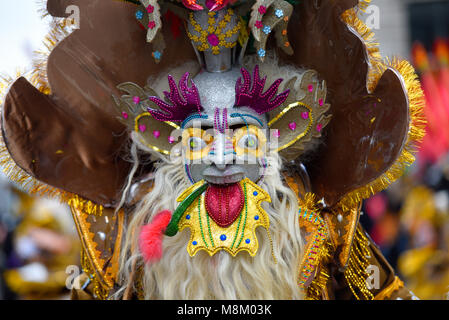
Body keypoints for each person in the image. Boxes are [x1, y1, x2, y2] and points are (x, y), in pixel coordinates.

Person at [0, 0, 424, 299]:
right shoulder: (125, 233)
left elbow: (381, 292)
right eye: (201, 137)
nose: (221, 157)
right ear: (171, 145)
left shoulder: (316, 219)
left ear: (277, 139)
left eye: (241, 135)